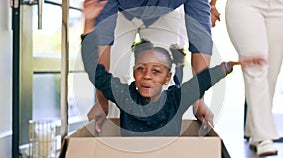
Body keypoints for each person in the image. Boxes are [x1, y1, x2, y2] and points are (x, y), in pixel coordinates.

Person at [82, 0, 222, 131]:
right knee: (115, 79)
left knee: (163, 79)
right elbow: (103, 37)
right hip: (120, 10)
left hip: (165, 12)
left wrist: (199, 99)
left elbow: (200, 39)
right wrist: (102, 101)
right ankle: (116, 141)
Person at [85, 39, 262, 135]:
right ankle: (177, 62)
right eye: (141, 69)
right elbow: (97, 74)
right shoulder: (124, 95)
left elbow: (202, 81)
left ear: (167, 77)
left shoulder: (176, 99)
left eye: (156, 71)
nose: (147, 75)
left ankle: (178, 62)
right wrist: (89, 28)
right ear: (134, 72)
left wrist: (231, 65)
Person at [225, 0, 283, 156]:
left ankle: (254, 130)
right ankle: (264, 137)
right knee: (257, 67)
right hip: (245, 4)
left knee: (272, 73)